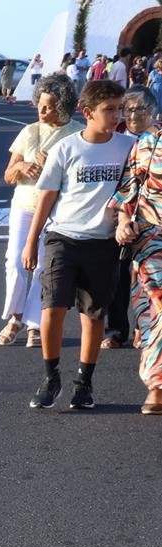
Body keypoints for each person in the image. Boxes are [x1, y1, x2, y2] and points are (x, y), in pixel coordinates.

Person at [23, 80, 135, 410]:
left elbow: (136, 188)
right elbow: (46, 197)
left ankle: (83, 383)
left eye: (119, 108)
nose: (116, 116)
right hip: (63, 238)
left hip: (103, 243)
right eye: (109, 110)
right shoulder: (67, 149)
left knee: (92, 316)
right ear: (87, 113)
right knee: (52, 309)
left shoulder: (128, 147)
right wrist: (32, 241)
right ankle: (50, 375)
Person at [0, 79, 79, 347]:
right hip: (24, 205)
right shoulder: (29, 132)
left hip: (58, 211)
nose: (42, 113)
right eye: (40, 106)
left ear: (64, 107)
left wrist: (54, 165)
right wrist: (23, 167)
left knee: (45, 267)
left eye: (48, 108)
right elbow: (8, 175)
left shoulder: (76, 134)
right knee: (16, 261)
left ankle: (33, 324)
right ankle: (15, 316)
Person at [112, 108, 162, 412]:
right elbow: (128, 190)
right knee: (154, 308)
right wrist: (122, 222)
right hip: (150, 240)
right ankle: (157, 385)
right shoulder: (146, 142)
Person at [106, 91, 154, 348]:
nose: (133, 115)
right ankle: (116, 330)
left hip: (151, 222)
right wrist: (122, 218)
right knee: (118, 276)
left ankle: (142, 326)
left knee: (145, 278)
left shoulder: (154, 141)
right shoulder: (116, 140)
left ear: (154, 110)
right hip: (120, 216)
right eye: (129, 109)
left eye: (140, 109)